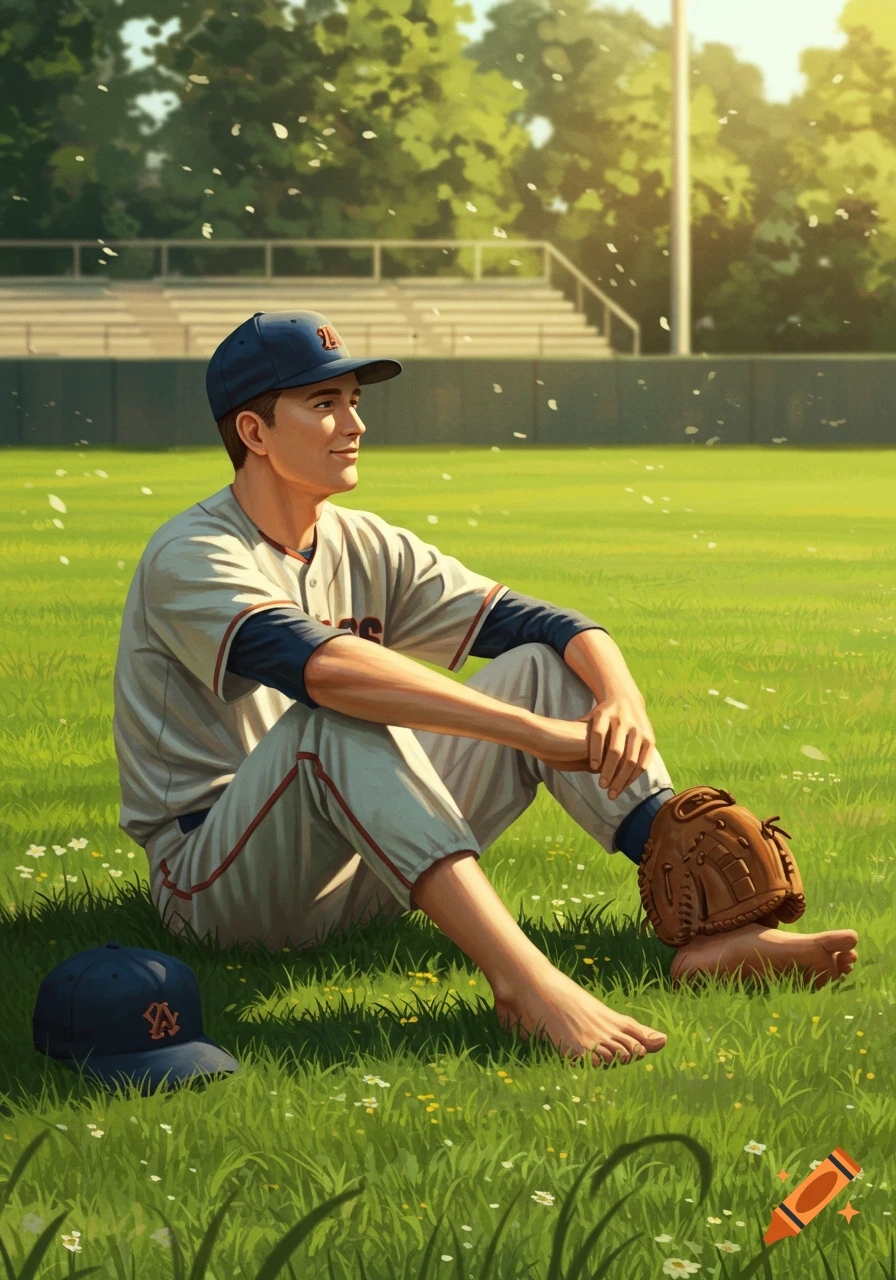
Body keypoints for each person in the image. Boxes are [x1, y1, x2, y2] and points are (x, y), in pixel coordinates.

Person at [112, 310, 859, 1071]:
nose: (353, 423)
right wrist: (533, 735)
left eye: (354, 400)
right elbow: (324, 669)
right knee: (332, 718)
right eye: (324, 403)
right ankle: (525, 985)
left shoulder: (362, 539)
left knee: (541, 664)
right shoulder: (192, 553)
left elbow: (543, 623)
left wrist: (619, 695)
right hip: (217, 879)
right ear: (255, 431)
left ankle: (718, 938)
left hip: (361, 855)